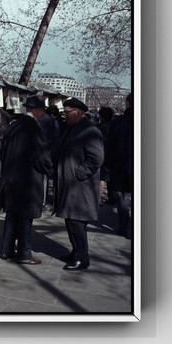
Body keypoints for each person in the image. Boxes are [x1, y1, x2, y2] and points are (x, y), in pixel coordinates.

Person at [0, 95, 53, 264]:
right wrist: (49, 170)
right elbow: (42, 157)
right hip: (28, 180)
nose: (43, 114)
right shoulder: (34, 129)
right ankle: (24, 254)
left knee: (12, 214)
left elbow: (3, 152)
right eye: (42, 111)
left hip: (10, 178)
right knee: (25, 217)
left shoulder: (13, 127)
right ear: (36, 110)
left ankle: (6, 250)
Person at [53, 98, 104, 271]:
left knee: (77, 222)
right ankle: (76, 252)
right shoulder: (72, 128)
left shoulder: (90, 130)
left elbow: (96, 158)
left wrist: (78, 173)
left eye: (67, 112)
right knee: (71, 221)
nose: (65, 115)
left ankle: (82, 258)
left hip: (80, 186)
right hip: (72, 185)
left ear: (79, 112)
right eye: (64, 112)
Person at [104, 94, 133, 239]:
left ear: (128, 103)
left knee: (123, 197)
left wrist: (108, 164)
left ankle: (123, 227)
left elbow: (111, 145)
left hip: (122, 166)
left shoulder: (118, 122)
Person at [97, 106, 115, 206]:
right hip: (113, 154)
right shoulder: (115, 126)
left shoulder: (99, 127)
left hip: (102, 154)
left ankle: (98, 199)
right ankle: (112, 197)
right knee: (110, 178)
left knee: (101, 179)